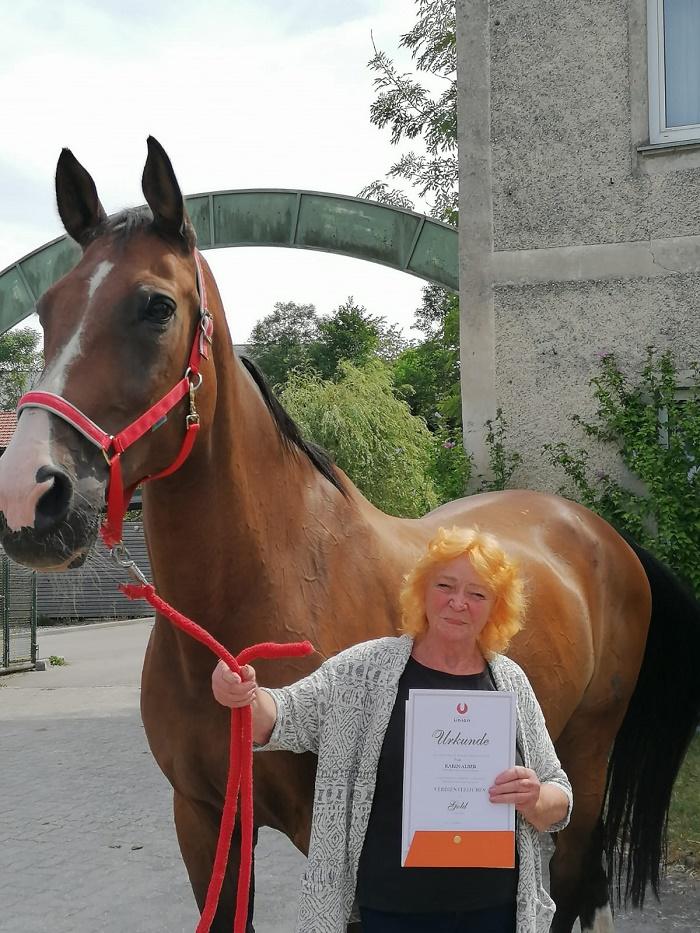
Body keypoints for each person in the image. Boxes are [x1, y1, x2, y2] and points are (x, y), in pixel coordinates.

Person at [212, 527, 572, 933]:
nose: (458, 603)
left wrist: (536, 797)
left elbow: (559, 794)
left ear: (496, 607)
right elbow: (279, 716)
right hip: (393, 912)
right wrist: (242, 691)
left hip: (495, 912)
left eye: (477, 593)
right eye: (445, 586)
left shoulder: (510, 681)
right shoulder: (363, 672)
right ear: (422, 591)